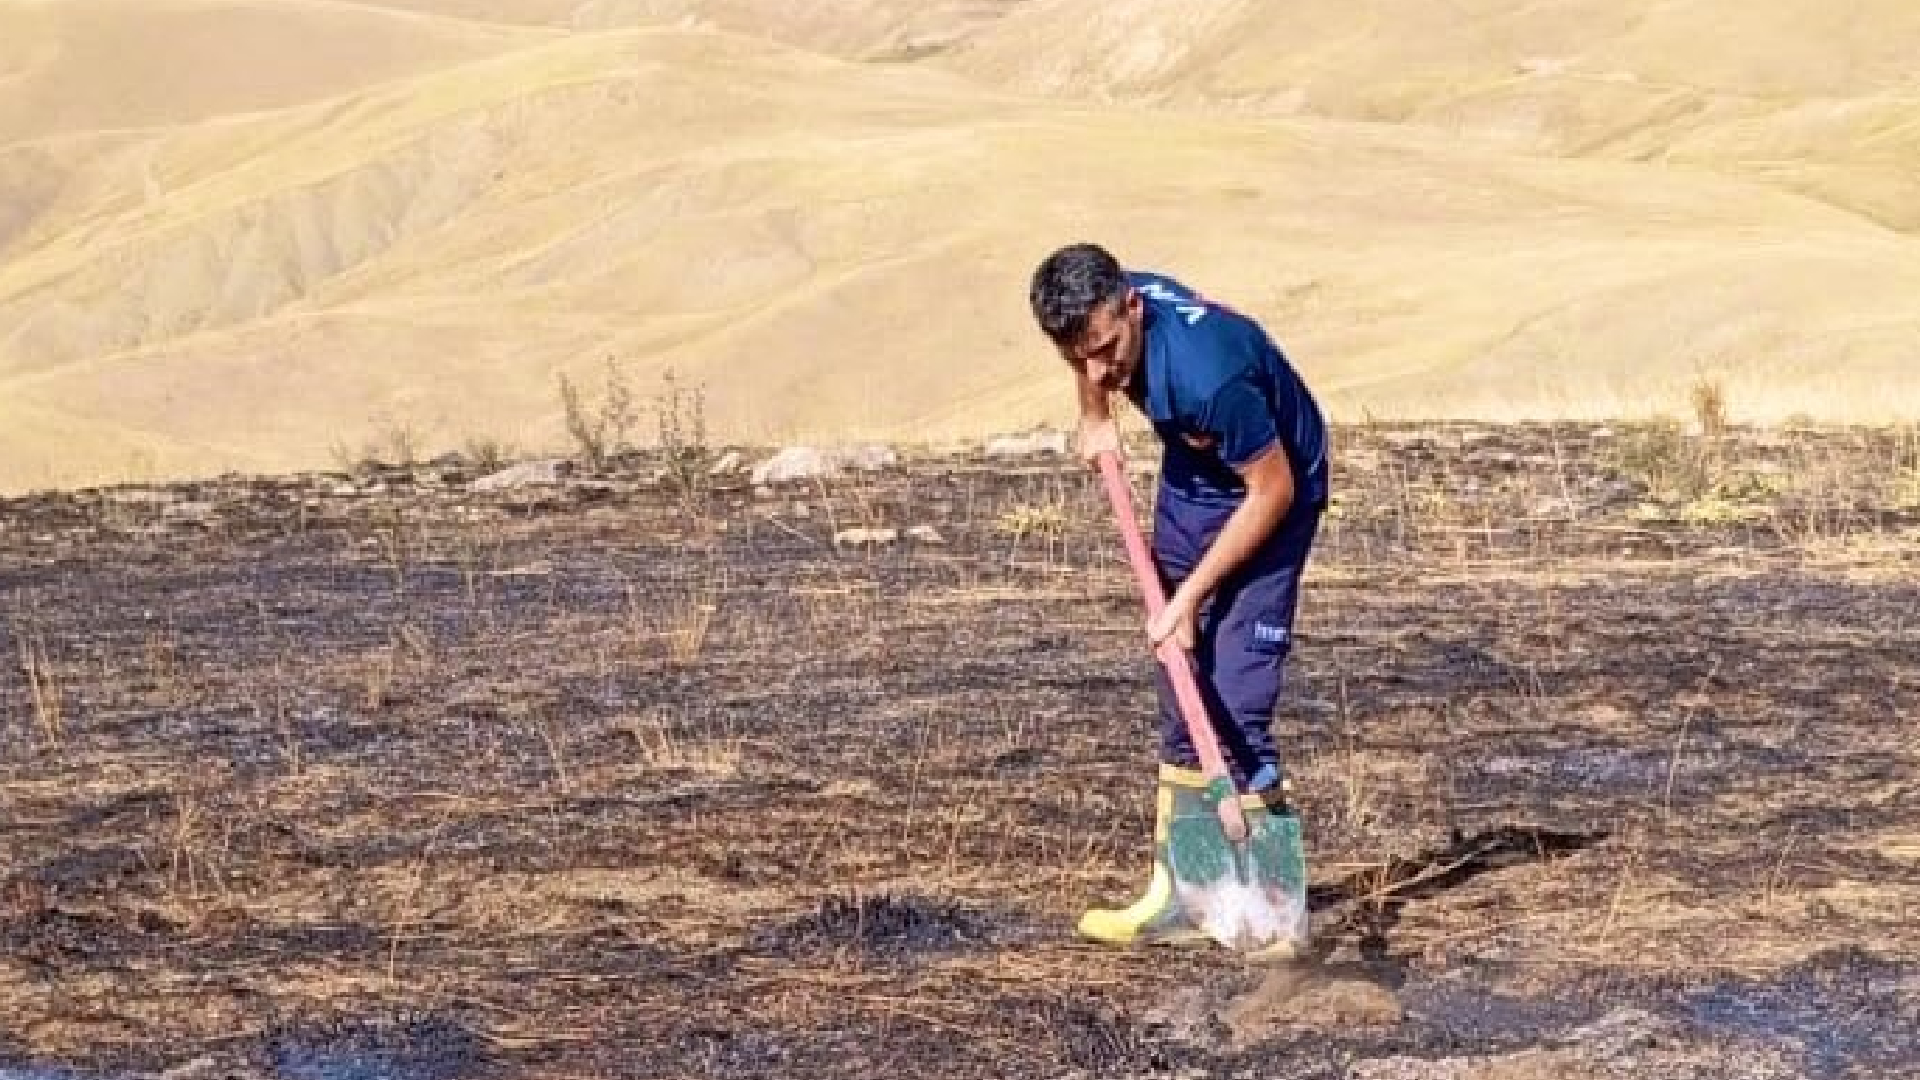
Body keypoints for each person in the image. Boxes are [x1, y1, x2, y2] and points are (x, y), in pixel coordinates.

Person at [1028, 242, 1329, 951]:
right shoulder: (1103, 337)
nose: (1099, 369)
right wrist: (1094, 410)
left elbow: (1273, 490)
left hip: (1276, 491)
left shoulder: (1207, 375)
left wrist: (1189, 595)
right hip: (1197, 476)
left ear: (1133, 304)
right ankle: (1185, 897)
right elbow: (1091, 364)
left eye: (1106, 349)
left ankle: (1275, 917)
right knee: (1179, 679)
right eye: (1077, 359)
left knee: (1235, 699)